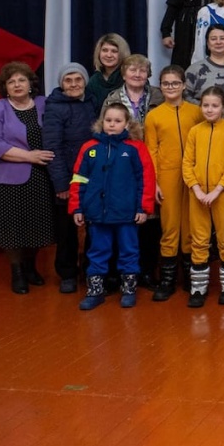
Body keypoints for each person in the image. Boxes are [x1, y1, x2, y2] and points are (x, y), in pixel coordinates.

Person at [69, 102, 156, 310]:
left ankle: (129, 290)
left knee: (129, 251)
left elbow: (146, 179)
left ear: (127, 124)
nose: (112, 124)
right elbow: (79, 179)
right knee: (97, 251)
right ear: (102, 122)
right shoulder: (89, 148)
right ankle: (95, 291)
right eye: (108, 120)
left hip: (127, 214)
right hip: (97, 213)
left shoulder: (136, 148)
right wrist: (77, 207)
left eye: (117, 121)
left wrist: (143, 208)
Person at [0, 62, 55, 294]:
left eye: (21, 80)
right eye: (11, 82)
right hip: (7, 179)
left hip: (41, 177)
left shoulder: (44, 104)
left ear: (31, 84)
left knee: (37, 225)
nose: (16, 85)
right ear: (5, 87)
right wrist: (29, 156)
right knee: (12, 229)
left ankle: (31, 268)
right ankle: (17, 272)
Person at [144, 65, 203, 302]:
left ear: (183, 85)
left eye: (175, 83)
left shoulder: (196, 112)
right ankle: (167, 279)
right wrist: (155, 183)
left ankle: (190, 277)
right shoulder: (154, 115)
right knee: (169, 227)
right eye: (166, 83)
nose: (171, 87)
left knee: (191, 226)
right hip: (167, 176)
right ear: (160, 86)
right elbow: (151, 150)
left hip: (193, 176)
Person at [102, 53, 162, 287]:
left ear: (148, 74)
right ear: (124, 73)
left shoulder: (158, 95)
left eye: (142, 70)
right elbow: (104, 131)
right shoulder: (112, 98)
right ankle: (120, 273)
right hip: (122, 164)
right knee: (123, 219)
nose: (137, 74)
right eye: (132, 70)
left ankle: (147, 271)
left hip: (153, 161)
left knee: (150, 219)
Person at [182, 86, 224, 307]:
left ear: (223, 107)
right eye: (205, 105)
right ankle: (198, 288)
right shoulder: (195, 131)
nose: (209, 109)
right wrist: (197, 189)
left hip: (222, 195)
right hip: (197, 195)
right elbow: (187, 163)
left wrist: (218, 189)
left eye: (214, 105)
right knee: (199, 239)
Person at [42, 62, 97, 293]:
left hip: (93, 176)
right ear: (61, 84)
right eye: (68, 80)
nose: (74, 84)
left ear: (85, 81)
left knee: (94, 227)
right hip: (67, 179)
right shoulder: (54, 107)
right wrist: (61, 183)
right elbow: (52, 147)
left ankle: (91, 270)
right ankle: (67, 273)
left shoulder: (92, 102)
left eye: (78, 79)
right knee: (66, 230)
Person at [184, 24, 224, 103]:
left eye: (223, 38)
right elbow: (184, 97)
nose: (218, 42)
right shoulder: (194, 69)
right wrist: (205, 107)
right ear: (207, 43)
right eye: (213, 39)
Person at [85, 33, 130, 114]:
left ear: (122, 54)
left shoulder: (130, 79)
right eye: (105, 50)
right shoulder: (94, 81)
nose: (109, 55)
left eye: (114, 51)